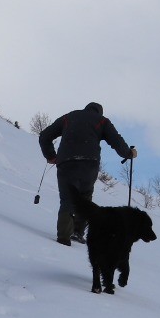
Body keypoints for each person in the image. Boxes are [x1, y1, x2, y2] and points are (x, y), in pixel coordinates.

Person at [38, 101, 136, 246]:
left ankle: (64, 237)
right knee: (84, 197)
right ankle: (78, 232)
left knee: (67, 198)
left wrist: (51, 156)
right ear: (99, 112)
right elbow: (116, 141)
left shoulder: (69, 117)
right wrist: (129, 153)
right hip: (89, 165)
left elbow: (45, 135)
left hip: (66, 163)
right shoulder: (102, 121)